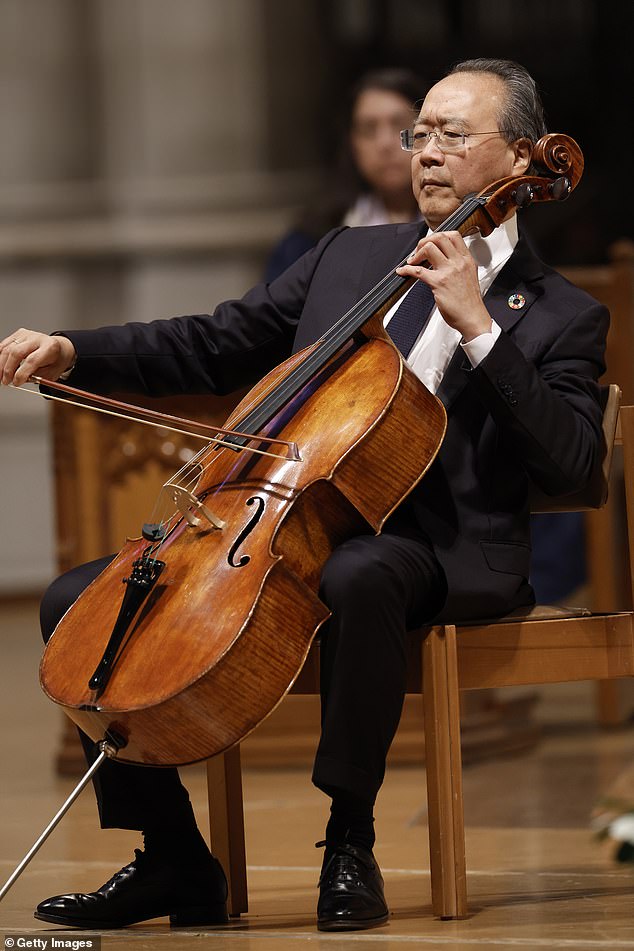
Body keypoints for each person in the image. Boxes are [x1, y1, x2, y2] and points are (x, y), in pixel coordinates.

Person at [0, 58, 608, 933]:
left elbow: (576, 469)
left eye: (451, 135)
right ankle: (172, 859)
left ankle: (349, 838)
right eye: (419, 135)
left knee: (362, 574)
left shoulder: (559, 311)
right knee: (77, 601)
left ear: (519, 155)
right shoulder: (353, 256)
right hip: (292, 531)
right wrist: (73, 350)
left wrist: (480, 328)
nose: (425, 154)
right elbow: (214, 342)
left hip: (444, 550)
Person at [264, 67, 425, 281]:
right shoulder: (312, 238)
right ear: (352, 144)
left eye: (400, 125)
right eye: (368, 129)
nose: (384, 143)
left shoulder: (461, 225)